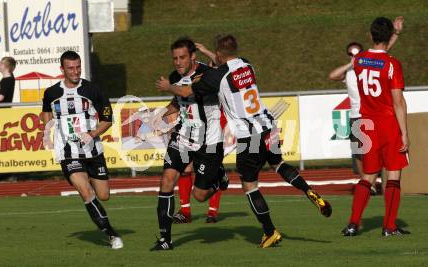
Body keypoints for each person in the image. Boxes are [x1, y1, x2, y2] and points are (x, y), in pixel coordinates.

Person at [157, 34, 332, 248]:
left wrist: (168, 87)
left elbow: (185, 91)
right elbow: (226, 62)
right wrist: (209, 53)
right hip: (268, 126)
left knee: (250, 185)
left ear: (219, 55)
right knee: (279, 164)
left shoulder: (215, 77)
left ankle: (270, 232)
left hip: (249, 136)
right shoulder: (247, 65)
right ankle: (308, 191)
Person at [151, 38, 228, 251]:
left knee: (200, 195)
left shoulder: (207, 74)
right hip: (184, 136)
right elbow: (179, 101)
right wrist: (160, 116)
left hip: (208, 141)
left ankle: (219, 176)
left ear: (193, 56)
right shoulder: (176, 76)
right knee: (167, 180)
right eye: (174, 58)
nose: (177, 62)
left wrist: (168, 87)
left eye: (182, 57)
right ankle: (165, 239)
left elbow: (188, 92)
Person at [41, 51, 123, 249]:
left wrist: (92, 134)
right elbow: (45, 112)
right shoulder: (51, 92)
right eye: (70, 68)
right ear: (62, 69)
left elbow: (107, 119)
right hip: (68, 152)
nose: (75, 71)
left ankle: (92, 196)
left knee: (103, 195)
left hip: (92, 149)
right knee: (86, 192)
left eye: (78, 67)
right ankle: (112, 235)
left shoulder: (94, 90)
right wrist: (47, 131)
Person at [341, 17, 410, 237]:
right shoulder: (392, 64)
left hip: (366, 123)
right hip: (388, 124)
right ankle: (389, 226)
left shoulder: (360, 60)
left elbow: (376, 56)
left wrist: (394, 35)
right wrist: (405, 133)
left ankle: (353, 224)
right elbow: (398, 101)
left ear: (370, 36)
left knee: (368, 176)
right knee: (393, 175)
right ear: (387, 36)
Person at [328, 16, 404, 195]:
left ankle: (379, 184)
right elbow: (332, 75)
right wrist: (351, 63)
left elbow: (384, 50)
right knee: (359, 154)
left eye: (356, 53)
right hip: (357, 116)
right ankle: (368, 185)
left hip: (370, 115)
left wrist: (396, 33)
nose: (354, 56)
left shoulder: (367, 64)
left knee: (382, 153)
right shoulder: (351, 70)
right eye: (351, 54)